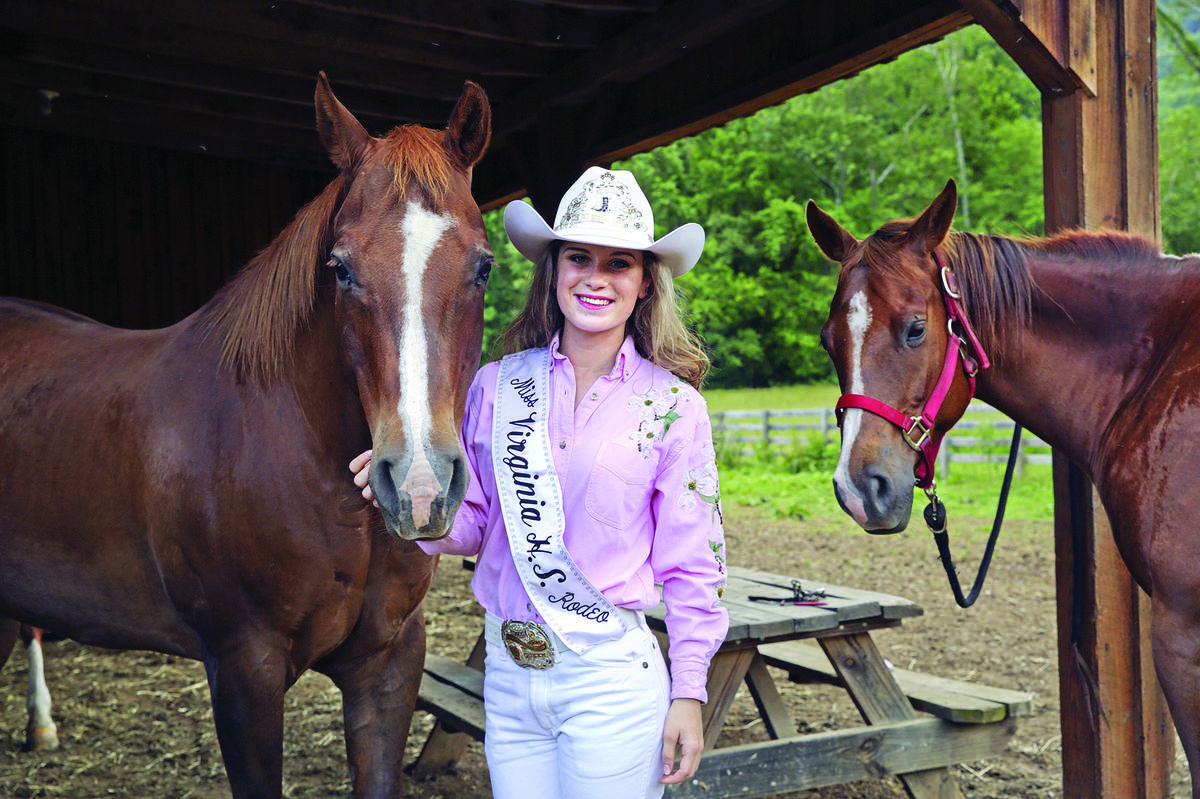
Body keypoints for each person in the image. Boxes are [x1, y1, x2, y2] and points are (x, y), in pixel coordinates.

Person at [350, 166, 728, 799]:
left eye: (620, 264)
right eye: (578, 257)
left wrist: (689, 690)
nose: (596, 278)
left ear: (644, 285)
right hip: (509, 671)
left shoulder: (672, 407)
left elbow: (695, 567)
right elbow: (475, 525)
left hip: (607, 678)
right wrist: (412, 505)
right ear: (553, 271)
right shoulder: (498, 386)